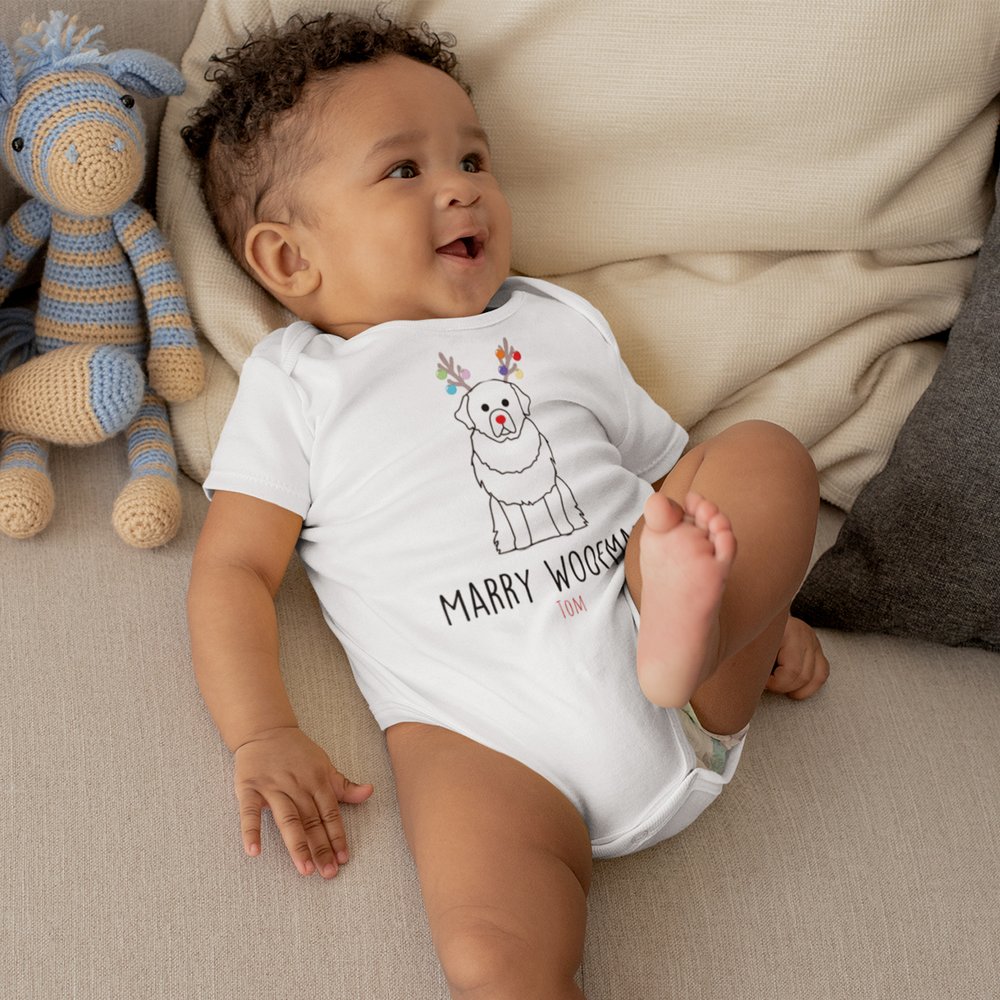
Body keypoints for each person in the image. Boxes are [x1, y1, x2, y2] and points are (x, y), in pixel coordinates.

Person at [183, 12, 829, 998]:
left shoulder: (555, 323)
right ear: (288, 260)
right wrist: (262, 729)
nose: (461, 186)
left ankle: (699, 634)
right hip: (488, 743)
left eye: (473, 158)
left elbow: (679, 483)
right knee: (491, 956)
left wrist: (755, 599)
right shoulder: (298, 384)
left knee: (765, 455)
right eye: (404, 169)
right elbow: (233, 568)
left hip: (665, 655)